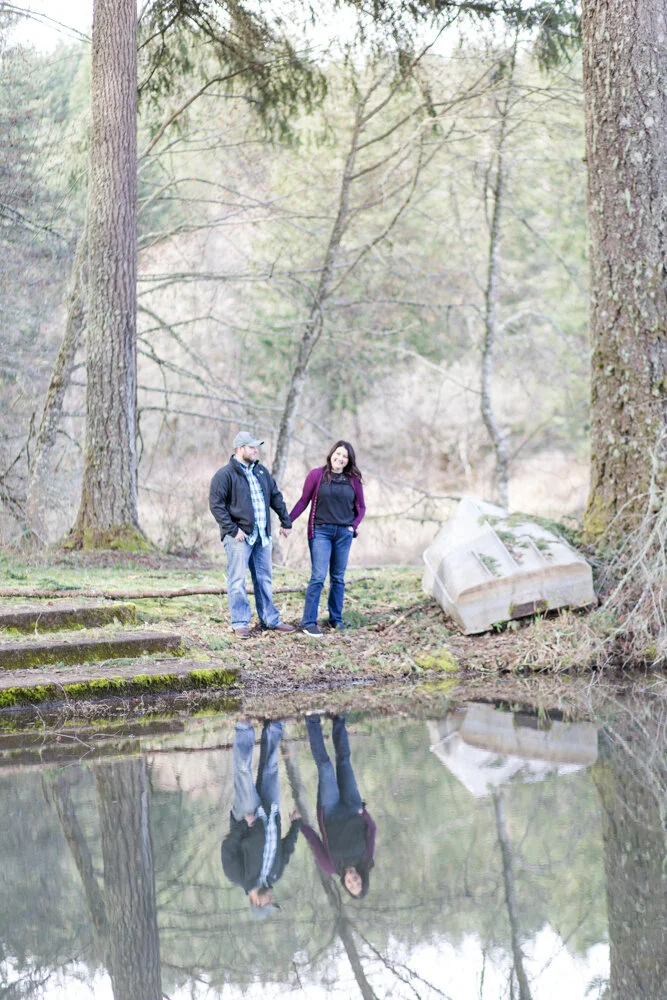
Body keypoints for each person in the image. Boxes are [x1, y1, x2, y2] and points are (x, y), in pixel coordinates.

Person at [209, 431, 296, 638]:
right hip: (240, 536)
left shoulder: (262, 472)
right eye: (252, 447)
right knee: (237, 580)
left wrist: (286, 521)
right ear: (240, 449)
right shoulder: (224, 475)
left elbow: (276, 497)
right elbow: (216, 505)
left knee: (264, 579)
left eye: (257, 447)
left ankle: (270, 619)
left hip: (262, 536)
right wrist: (232, 529)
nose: (256, 450)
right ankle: (240, 622)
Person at [221, 719, 301, 918]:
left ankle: (244, 730)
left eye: (267, 903)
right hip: (271, 814)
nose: (271, 900)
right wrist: (296, 824)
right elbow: (287, 848)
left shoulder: (237, 877)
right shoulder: (276, 875)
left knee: (243, 773)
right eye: (271, 903)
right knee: (270, 769)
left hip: (248, 817)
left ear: (255, 902)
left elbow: (228, 848)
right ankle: (274, 728)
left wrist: (241, 826)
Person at [289, 440, 366, 636]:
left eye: (344, 457)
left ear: (348, 461)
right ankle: (308, 622)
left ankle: (335, 619)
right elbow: (303, 501)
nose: (340, 459)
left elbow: (361, 507)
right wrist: (287, 521)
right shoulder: (316, 475)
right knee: (318, 576)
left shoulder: (353, 480)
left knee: (338, 578)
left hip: (343, 534)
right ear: (332, 453)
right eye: (338, 454)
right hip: (320, 532)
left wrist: (353, 527)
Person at [299, 713, 375, 899]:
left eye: (351, 885)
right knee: (344, 760)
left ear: (345, 885)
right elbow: (372, 829)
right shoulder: (366, 859)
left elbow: (315, 841)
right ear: (362, 879)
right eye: (358, 883)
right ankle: (339, 720)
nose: (353, 881)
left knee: (325, 767)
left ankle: (312, 720)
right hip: (352, 807)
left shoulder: (330, 867)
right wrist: (362, 812)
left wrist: (299, 824)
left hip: (330, 811)